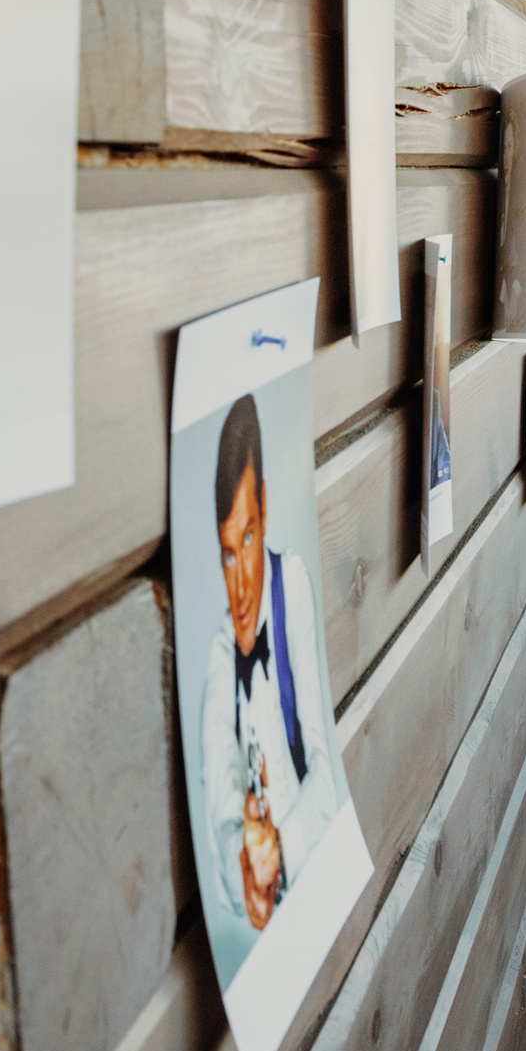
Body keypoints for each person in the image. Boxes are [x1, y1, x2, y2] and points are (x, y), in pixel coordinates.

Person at [198, 395, 341, 931]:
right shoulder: (219, 658)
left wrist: (281, 846)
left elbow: (326, 777)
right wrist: (245, 856)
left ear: (265, 509)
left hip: (319, 889)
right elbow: (219, 820)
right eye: (227, 554)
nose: (238, 589)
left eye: (249, 537)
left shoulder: (293, 589)